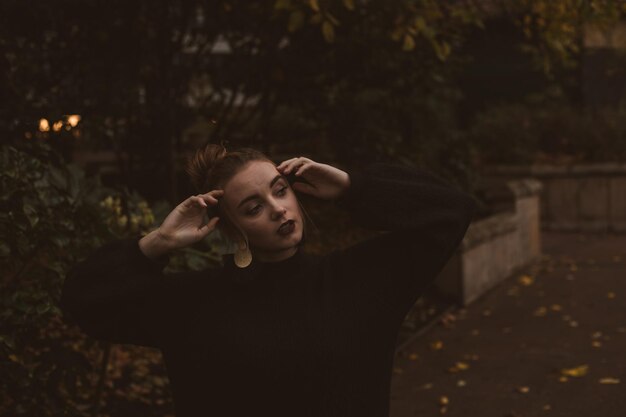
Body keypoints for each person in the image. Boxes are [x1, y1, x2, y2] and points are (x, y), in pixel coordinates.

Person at [59, 143, 478, 417]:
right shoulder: (194, 304)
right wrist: (157, 243)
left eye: (280, 190)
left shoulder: (357, 280)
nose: (278, 209)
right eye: (254, 207)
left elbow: (452, 212)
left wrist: (354, 187)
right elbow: (84, 302)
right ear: (229, 227)